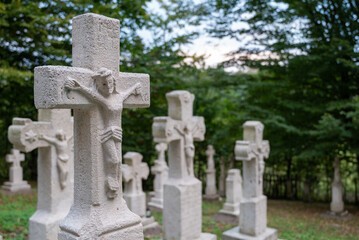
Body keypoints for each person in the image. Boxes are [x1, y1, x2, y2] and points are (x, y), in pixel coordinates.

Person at [65, 67, 142, 198]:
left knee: (117, 161)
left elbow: (131, 91)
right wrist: (77, 86)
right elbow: (91, 94)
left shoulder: (119, 97)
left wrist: (137, 87)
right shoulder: (103, 100)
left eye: (110, 83)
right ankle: (110, 182)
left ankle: (115, 184)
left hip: (118, 134)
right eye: (104, 84)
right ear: (99, 85)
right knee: (115, 160)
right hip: (108, 133)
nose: (108, 87)